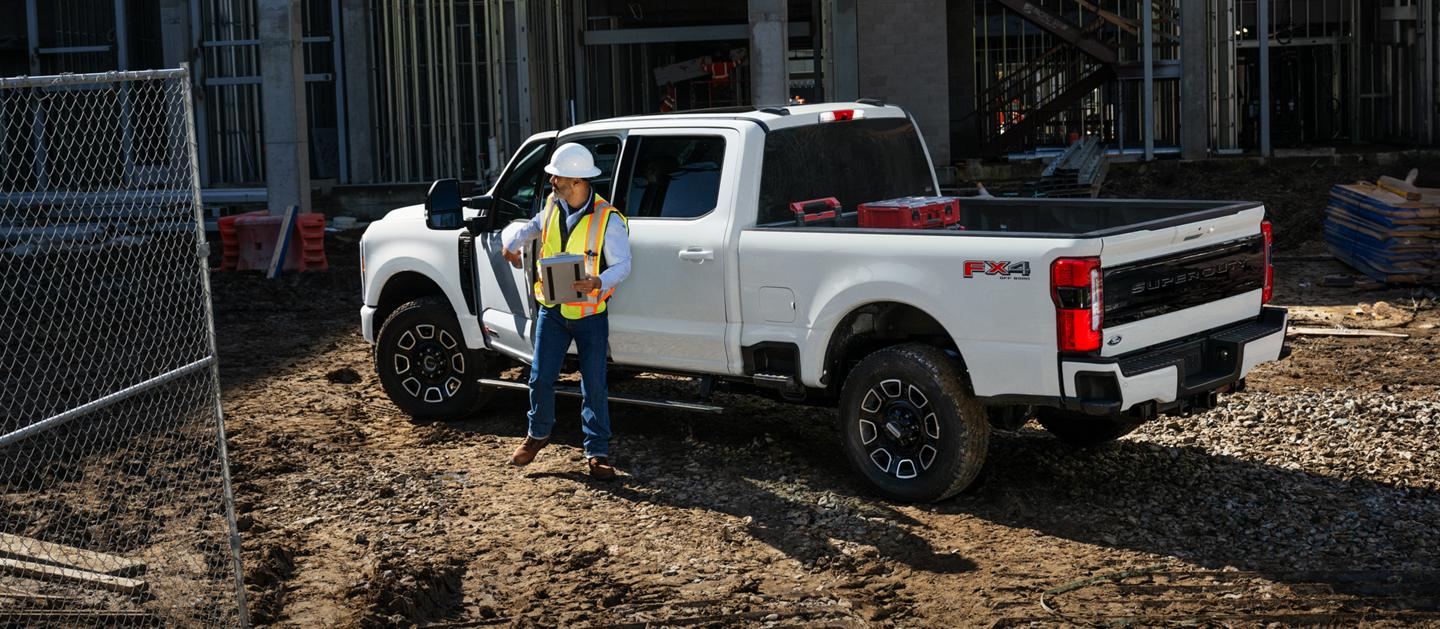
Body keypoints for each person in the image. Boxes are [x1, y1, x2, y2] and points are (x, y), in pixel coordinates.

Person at [501, 143, 631, 480]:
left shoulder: (608, 220)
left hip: (590, 314)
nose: (552, 180)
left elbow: (624, 266)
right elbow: (533, 226)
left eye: (557, 176)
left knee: (594, 384)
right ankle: (537, 435)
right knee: (541, 377)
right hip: (552, 310)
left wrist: (598, 282)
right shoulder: (553, 205)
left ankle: (597, 452)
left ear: (576, 180)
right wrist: (512, 243)